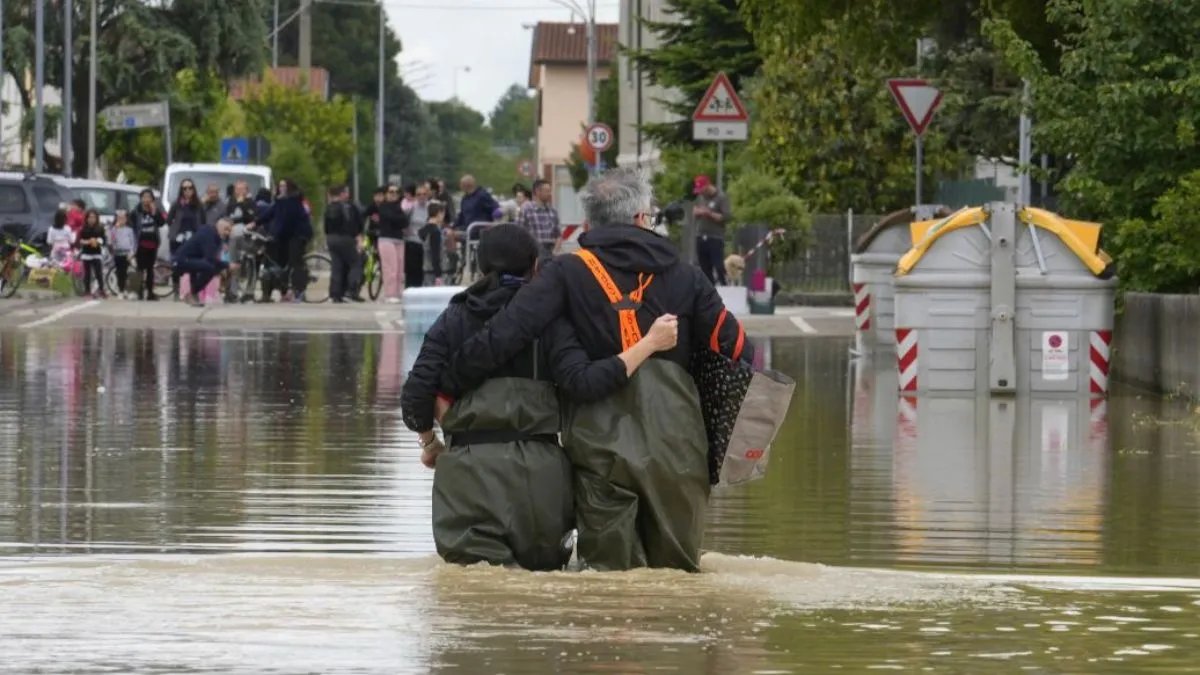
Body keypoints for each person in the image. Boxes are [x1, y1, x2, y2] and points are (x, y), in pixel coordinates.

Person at [437, 168, 751, 573]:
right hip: (678, 444)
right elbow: (738, 348)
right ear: (642, 218)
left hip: (600, 444)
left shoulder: (566, 272)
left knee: (609, 580)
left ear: (589, 222)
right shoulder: (686, 276)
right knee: (678, 578)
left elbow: (504, 335)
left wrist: (447, 383)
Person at [401, 223, 680, 571]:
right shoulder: (551, 322)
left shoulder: (452, 319)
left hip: (467, 472)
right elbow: (585, 383)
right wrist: (649, 343)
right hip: (541, 481)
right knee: (540, 596)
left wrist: (430, 444)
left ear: (480, 263)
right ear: (535, 266)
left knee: (472, 602)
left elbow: (415, 397)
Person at [255, 179, 313, 302]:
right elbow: (270, 213)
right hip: (285, 236)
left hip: (297, 235)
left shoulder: (292, 201)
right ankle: (281, 291)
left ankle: (298, 292)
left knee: (295, 263)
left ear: (289, 188)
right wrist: (255, 223)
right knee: (278, 263)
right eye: (280, 186)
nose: (281, 188)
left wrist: (274, 234)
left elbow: (286, 221)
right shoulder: (280, 200)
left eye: (283, 186)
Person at [173, 218, 233, 308]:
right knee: (209, 268)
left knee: (207, 267)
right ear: (219, 226)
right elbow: (210, 258)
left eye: (229, 230)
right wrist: (227, 265)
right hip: (181, 260)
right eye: (226, 229)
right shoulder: (208, 234)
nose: (227, 232)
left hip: (190, 258)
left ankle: (193, 294)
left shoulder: (215, 236)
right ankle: (192, 293)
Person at [324, 184, 363, 304]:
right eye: (346, 192)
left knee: (337, 266)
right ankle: (350, 291)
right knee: (355, 262)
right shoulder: (347, 207)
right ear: (341, 194)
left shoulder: (329, 207)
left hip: (331, 238)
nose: (348, 194)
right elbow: (351, 225)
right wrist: (356, 237)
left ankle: (335, 293)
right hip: (345, 238)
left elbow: (326, 226)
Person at [692, 174, 732, 286]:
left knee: (718, 266)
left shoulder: (721, 197)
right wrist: (697, 212)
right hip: (701, 236)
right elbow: (695, 211)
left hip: (715, 237)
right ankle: (710, 290)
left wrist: (709, 213)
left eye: (702, 189)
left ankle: (725, 287)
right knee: (704, 267)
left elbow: (726, 217)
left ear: (708, 186)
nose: (700, 192)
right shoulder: (701, 198)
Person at [168, 179, 205, 298]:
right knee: (177, 265)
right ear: (181, 190)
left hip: (194, 238)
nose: (187, 190)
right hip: (179, 238)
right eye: (185, 188)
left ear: (194, 189)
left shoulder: (199, 205)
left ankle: (194, 292)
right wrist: (176, 228)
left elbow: (203, 221)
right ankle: (176, 292)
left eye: (190, 188)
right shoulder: (177, 203)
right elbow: (169, 220)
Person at [223, 180, 257, 302]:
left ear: (247, 190)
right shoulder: (230, 202)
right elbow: (227, 218)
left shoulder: (250, 203)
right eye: (237, 189)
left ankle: (249, 291)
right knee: (233, 264)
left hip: (246, 237)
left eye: (242, 189)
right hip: (232, 237)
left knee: (249, 263)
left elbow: (252, 218)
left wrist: (242, 204)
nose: (239, 192)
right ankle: (232, 291)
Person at [376, 184, 409, 303]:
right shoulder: (383, 206)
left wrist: (398, 219)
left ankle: (397, 292)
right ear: (386, 194)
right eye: (391, 192)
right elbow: (391, 218)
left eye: (396, 192)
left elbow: (405, 222)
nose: (394, 194)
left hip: (399, 240)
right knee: (391, 268)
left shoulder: (399, 207)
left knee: (400, 268)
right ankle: (389, 294)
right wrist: (398, 220)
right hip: (386, 239)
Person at [132, 189, 166, 301]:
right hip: (140, 244)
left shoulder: (155, 210)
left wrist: (154, 212)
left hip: (153, 243)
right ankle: (139, 292)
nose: (146, 199)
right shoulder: (136, 211)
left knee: (150, 269)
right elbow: (132, 226)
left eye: (149, 197)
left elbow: (161, 223)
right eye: (144, 197)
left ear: (152, 199)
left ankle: (150, 292)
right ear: (141, 198)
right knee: (140, 268)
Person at [516, 178, 561, 257]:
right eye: (547, 191)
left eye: (550, 191)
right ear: (538, 192)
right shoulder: (526, 209)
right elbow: (519, 233)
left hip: (549, 253)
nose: (550, 194)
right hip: (532, 253)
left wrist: (554, 252)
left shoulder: (553, 211)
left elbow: (558, 235)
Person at [404, 183, 430, 288]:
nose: (421, 196)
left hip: (426, 243)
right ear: (415, 196)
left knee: (424, 270)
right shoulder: (411, 208)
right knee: (412, 270)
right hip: (412, 242)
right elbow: (404, 222)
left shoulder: (431, 207)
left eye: (424, 194)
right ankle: (410, 289)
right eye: (418, 194)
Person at [77, 208, 107, 299]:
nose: (91, 219)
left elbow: (104, 240)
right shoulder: (83, 229)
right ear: (86, 218)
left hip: (97, 253)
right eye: (90, 217)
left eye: (94, 217)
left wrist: (98, 241)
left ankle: (101, 290)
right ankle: (87, 290)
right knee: (87, 274)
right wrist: (88, 242)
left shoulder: (100, 228)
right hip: (86, 254)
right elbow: (80, 241)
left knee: (98, 272)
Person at [108, 209, 136, 299]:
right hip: (118, 253)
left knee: (128, 272)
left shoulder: (129, 230)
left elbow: (133, 242)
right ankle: (121, 290)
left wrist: (132, 253)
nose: (121, 220)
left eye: (123, 218)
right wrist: (115, 229)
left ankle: (128, 290)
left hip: (127, 254)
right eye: (119, 218)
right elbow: (111, 240)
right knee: (120, 273)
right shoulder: (113, 229)